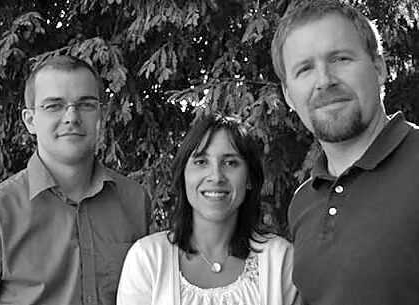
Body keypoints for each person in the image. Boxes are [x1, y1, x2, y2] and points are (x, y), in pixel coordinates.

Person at [271, 0, 419, 304]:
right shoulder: (303, 203)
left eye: (340, 58)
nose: (324, 81)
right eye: (305, 69)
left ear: (379, 68)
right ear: (288, 94)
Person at [0, 55, 149, 304]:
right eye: (53, 106)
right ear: (30, 120)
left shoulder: (135, 201)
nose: (71, 117)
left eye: (85, 104)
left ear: (100, 115)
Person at [116, 113, 300, 305]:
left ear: (249, 179)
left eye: (230, 163)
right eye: (201, 162)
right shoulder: (148, 259)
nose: (216, 176)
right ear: (183, 176)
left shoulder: (280, 259)